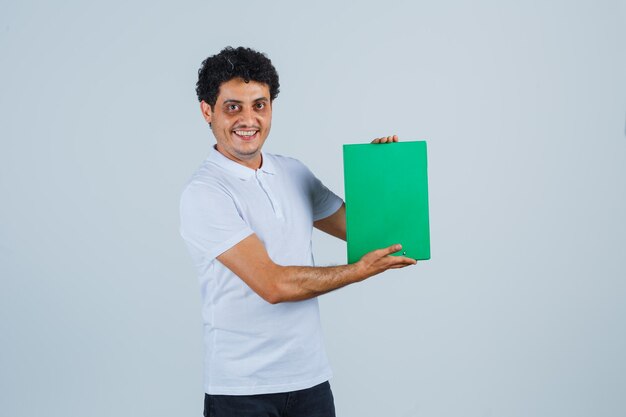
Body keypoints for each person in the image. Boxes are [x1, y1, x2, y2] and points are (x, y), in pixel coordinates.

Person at [180, 46, 417, 417]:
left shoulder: (293, 172)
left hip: (310, 382)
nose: (248, 119)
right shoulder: (205, 192)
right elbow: (273, 285)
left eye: (259, 105)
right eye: (233, 107)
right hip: (242, 392)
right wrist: (357, 272)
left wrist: (381, 172)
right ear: (207, 111)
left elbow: (368, 233)